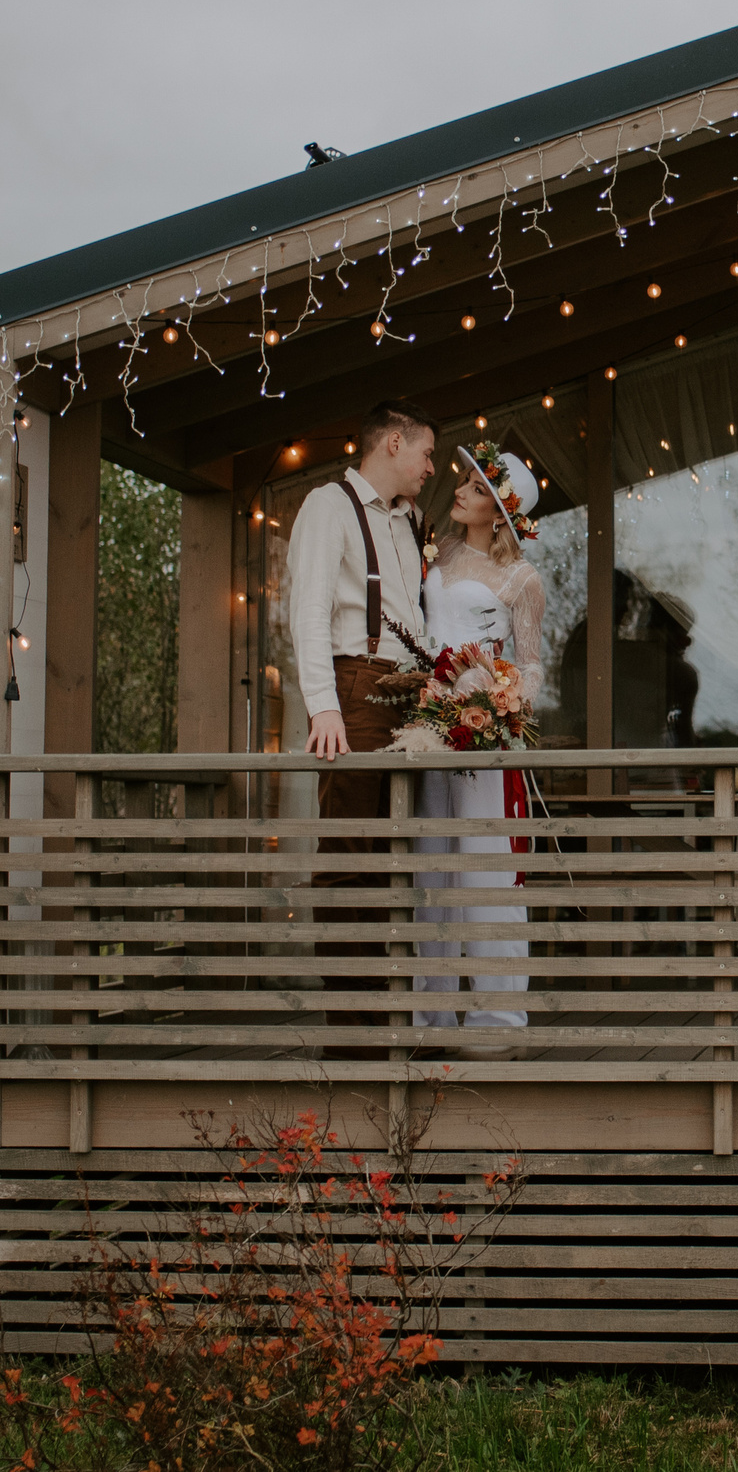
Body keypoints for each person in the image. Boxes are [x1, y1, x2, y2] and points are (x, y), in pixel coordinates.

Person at [288, 399, 438, 1052]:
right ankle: (353, 1035)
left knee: (396, 863)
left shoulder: (409, 522)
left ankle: (392, 1017)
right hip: (357, 692)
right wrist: (323, 704)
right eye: (427, 453)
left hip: (411, 703)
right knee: (350, 861)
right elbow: (308, 609)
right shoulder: (329, 505)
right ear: (394, 443)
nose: (432, 467)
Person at [412, 444, 546, 1059]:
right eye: (462, 480)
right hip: (425, 726)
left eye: (474, 484)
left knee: (485, 864)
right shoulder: (433, 558)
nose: (460, 489)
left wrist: (498, 701)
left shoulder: (521, 578)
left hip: (482, 731)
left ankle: (498, 1017)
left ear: (498, 510)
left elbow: (534, 666)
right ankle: (430, 1014)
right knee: (431, 860)